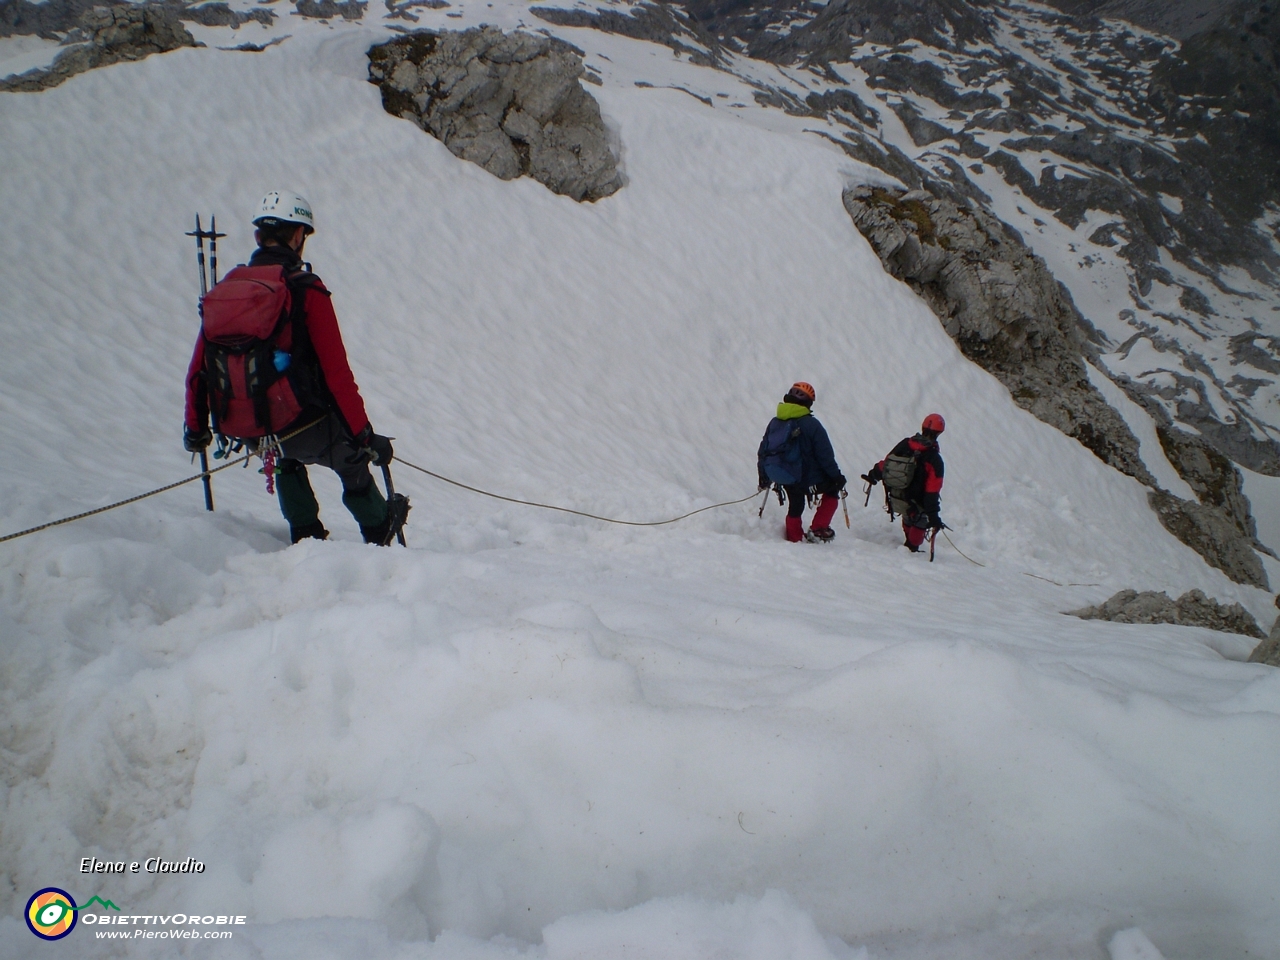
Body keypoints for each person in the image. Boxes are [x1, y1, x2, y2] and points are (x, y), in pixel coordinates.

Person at [183, 190, 408, 546]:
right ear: (298, 236)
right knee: (352, 465)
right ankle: (379, 531)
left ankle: (304, 534)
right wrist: (365, 437)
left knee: (284, 460)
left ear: (259, 236)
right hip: (309, 425)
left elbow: (199, 369)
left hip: (253, 426)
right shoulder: (306, 290)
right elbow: (337, 377)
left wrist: (196, 429)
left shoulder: (226, 291)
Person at [757, 381, 847, 543]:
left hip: (782, 473)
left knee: (795, 502)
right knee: (832, 490)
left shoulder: (776, 421)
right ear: (808, 402)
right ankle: (819, 529)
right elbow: (825, 455)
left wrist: (763, 476)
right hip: (804, 476)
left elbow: (763, 450)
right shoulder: (811, 424)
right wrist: (837, 477)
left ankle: (794, 537)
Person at [864, 413, 945, 553]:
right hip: (917, 501)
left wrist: (874, 475)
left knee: (908, 514)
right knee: (919, 520)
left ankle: (908, 546)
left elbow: (887, 463)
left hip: (897, 496)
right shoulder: (934, 459)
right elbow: (932, 491)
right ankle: (911, 549)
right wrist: (934, 516)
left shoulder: (906, 443)